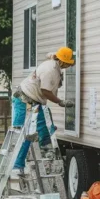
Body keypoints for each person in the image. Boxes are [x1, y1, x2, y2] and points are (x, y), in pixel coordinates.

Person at [11, 47, 76, 176]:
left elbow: (50, 55)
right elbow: (46, 91)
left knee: (45, 125)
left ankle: (46, 146)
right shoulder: (51, 70)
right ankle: (16, 166)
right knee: (23, 134)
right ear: (63, 62)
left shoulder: (54, 63)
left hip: (34, 101)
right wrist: (60, 101)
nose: (69, 66)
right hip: (24, 100)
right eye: (68, 63)